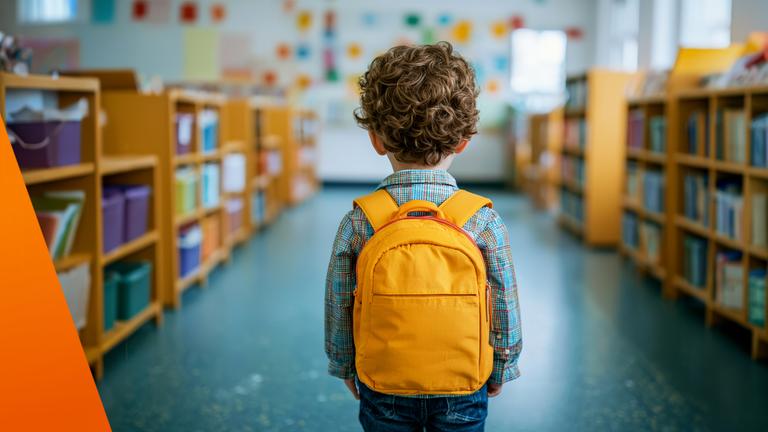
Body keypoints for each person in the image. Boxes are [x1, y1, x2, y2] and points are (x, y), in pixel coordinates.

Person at [325, 41, 522, 431]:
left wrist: (343, 363)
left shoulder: (360, 221)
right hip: (463, 384)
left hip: (383, 381)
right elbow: (504, 302)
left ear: (376, 139)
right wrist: (501, 365)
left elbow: (338, 302)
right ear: (464, 141)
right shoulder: (482, 220)